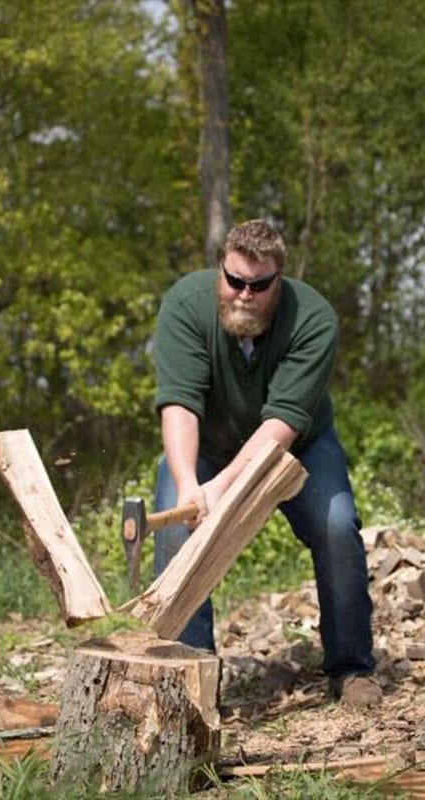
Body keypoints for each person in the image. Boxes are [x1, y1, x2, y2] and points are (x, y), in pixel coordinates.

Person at [151, 218, 380, 709]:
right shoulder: (185, 306)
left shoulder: (313, 318)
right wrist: (192, 484)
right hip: (209, 446)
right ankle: (191, 683)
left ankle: (352, 668)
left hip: (298, 446)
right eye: (235, 281)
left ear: (280, 278)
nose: (244, 294)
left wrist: (225, 488)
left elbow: (281, 424)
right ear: (221, 269)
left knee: (338, 527)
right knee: (174, 531)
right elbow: (179, 405)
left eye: (259, 285)